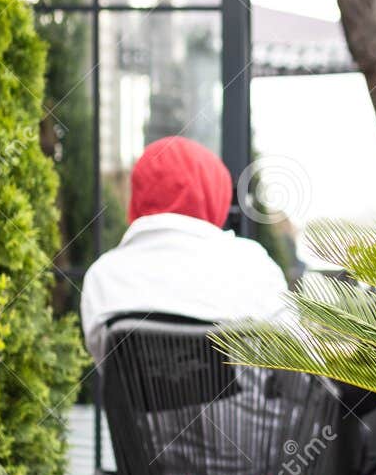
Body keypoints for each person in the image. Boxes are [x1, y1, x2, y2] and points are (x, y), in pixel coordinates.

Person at [79, 138, 290, 360]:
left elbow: (107, 365)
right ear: (216, 195)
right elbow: (295, 361)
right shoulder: (253, 265)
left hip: (139, 397)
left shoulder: (103, 275)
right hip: (241, 396)